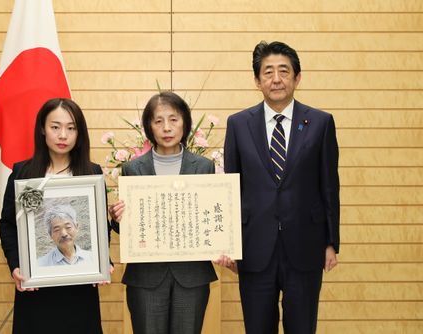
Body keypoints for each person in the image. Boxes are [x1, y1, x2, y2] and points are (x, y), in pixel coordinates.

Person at [223, 41, 340, 333]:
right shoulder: (238, 124)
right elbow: (230, 189)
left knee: (302, 327)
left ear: (297, 78)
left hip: (306, 245)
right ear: (257, 80)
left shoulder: (320, 122)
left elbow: (329, 185)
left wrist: (330, 241)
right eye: (268, 72)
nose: (276, 79)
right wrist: (229, 244)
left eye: (284, 71)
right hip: (254, 248)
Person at [108, 91, 218, 334]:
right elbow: (127, 228)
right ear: (149, 127)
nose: (166, 128)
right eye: (158, 121)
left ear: (185, 123)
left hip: (192, 277)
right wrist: (117, 217)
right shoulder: (133, 168)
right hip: (146, 278)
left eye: (174, 119)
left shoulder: (203, 167)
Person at [0, 98, 109, 333]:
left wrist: (102, 261)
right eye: (55, 127)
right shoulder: (24, 173)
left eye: (71, 128)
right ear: (42, 129)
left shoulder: (91, 172)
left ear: (79, 133)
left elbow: (101, 226)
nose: (63, 135)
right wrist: (17, 265)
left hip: (79, 290)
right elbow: (8, 224)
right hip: (37, 290)